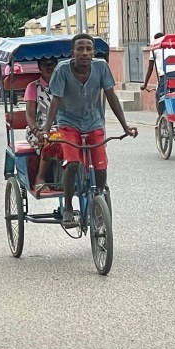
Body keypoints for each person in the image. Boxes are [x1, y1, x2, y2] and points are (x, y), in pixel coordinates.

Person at [42, 34, 138, 228]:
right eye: (80, 49)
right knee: (73, 164)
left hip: (94, 122)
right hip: (68, 122)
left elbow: (111, 97)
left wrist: (125, 126)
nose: (84, 53)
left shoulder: (101, 67)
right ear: (72, 53)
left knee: (101, 166)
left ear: (93, 52)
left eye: (88, 49)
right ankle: (69, 207)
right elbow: (56, 101)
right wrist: (45, 129)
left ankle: (98, 198)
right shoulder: (62, 70)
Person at [24, 56, 62, 191]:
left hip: (61, 128)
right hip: (38, 130)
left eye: (52, 64)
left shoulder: (64, 85)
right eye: (45, 64)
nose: (49, 67)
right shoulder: (33, 87)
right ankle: (40, 177)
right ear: (39, 67)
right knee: (51, 139)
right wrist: (37, 131)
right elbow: (29, 115)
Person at [140, 32, 175, 115]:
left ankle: (160, 118)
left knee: (160, 97)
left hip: (166, 76)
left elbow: (150, 68)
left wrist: (145, 84)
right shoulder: (172, 47)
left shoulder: (155, 47)